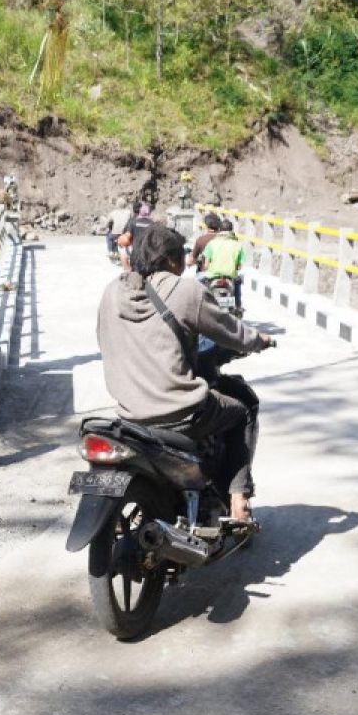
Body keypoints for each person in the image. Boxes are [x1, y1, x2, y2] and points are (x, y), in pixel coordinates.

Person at [97, 224, 271, 523]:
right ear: (168, 260)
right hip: (181, 414)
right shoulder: (186, 290)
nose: (184, 263)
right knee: (240, 411)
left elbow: (103, 338)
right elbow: (232, 332)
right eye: (181, 256)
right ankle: (239, 500)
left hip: (128, 417)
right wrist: (260, 340)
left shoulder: (112, 291)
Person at [200, 219, 246, 313]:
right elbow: (239, 266)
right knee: (238, 282)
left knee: (198, 283)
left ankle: (201, 307)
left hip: (212, 278)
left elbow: (206, 265)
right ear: (232, 231)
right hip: (230, 277)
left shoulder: (212, 244)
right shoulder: (238, 245)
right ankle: (238, 307)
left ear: (220, 230)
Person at [105, 197, 132, 262]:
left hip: (116, 233)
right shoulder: (129, 212)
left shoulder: (113, 213)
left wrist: (107, 226)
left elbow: (107, 223)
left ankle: (112, 251)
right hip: (126, 234)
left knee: (109, 236)